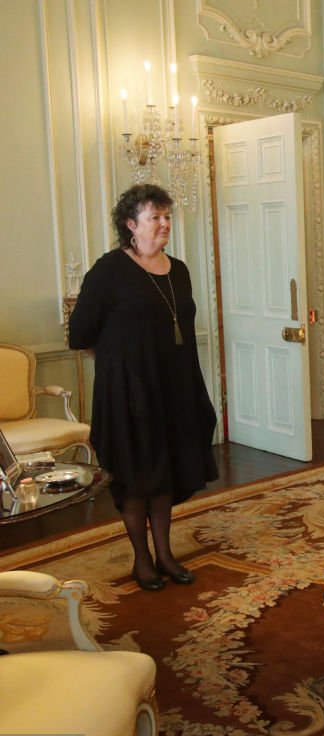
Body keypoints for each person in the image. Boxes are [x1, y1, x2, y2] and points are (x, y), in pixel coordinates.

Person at [68, 184, 218, 592]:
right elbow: (80, 331)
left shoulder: (180, 269)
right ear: (131, 225)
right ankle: (142, 560)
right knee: (136, 476)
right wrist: (116, 362)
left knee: (165, 473)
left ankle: (166, 554)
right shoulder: (110, 269)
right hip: (128, 391)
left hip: (175, 387)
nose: (164, 224)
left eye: (167, 216)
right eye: (155, 217)